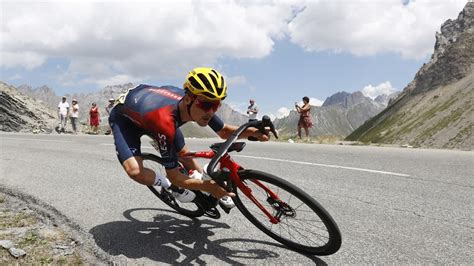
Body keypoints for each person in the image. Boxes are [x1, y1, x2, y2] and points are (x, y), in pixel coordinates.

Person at [109, 67, 269, 208]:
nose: (211, 111)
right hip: (125, 120)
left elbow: (224, 132)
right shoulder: (165, 121)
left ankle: (204, 184)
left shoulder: (200, 103)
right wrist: (208, 187)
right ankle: (169, 187)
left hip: (150, 109)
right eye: (207, 105)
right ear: (187, 99)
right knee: (135, 171)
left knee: (184, 155)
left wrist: (253, 132)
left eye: (216, 105)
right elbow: (175, 176)